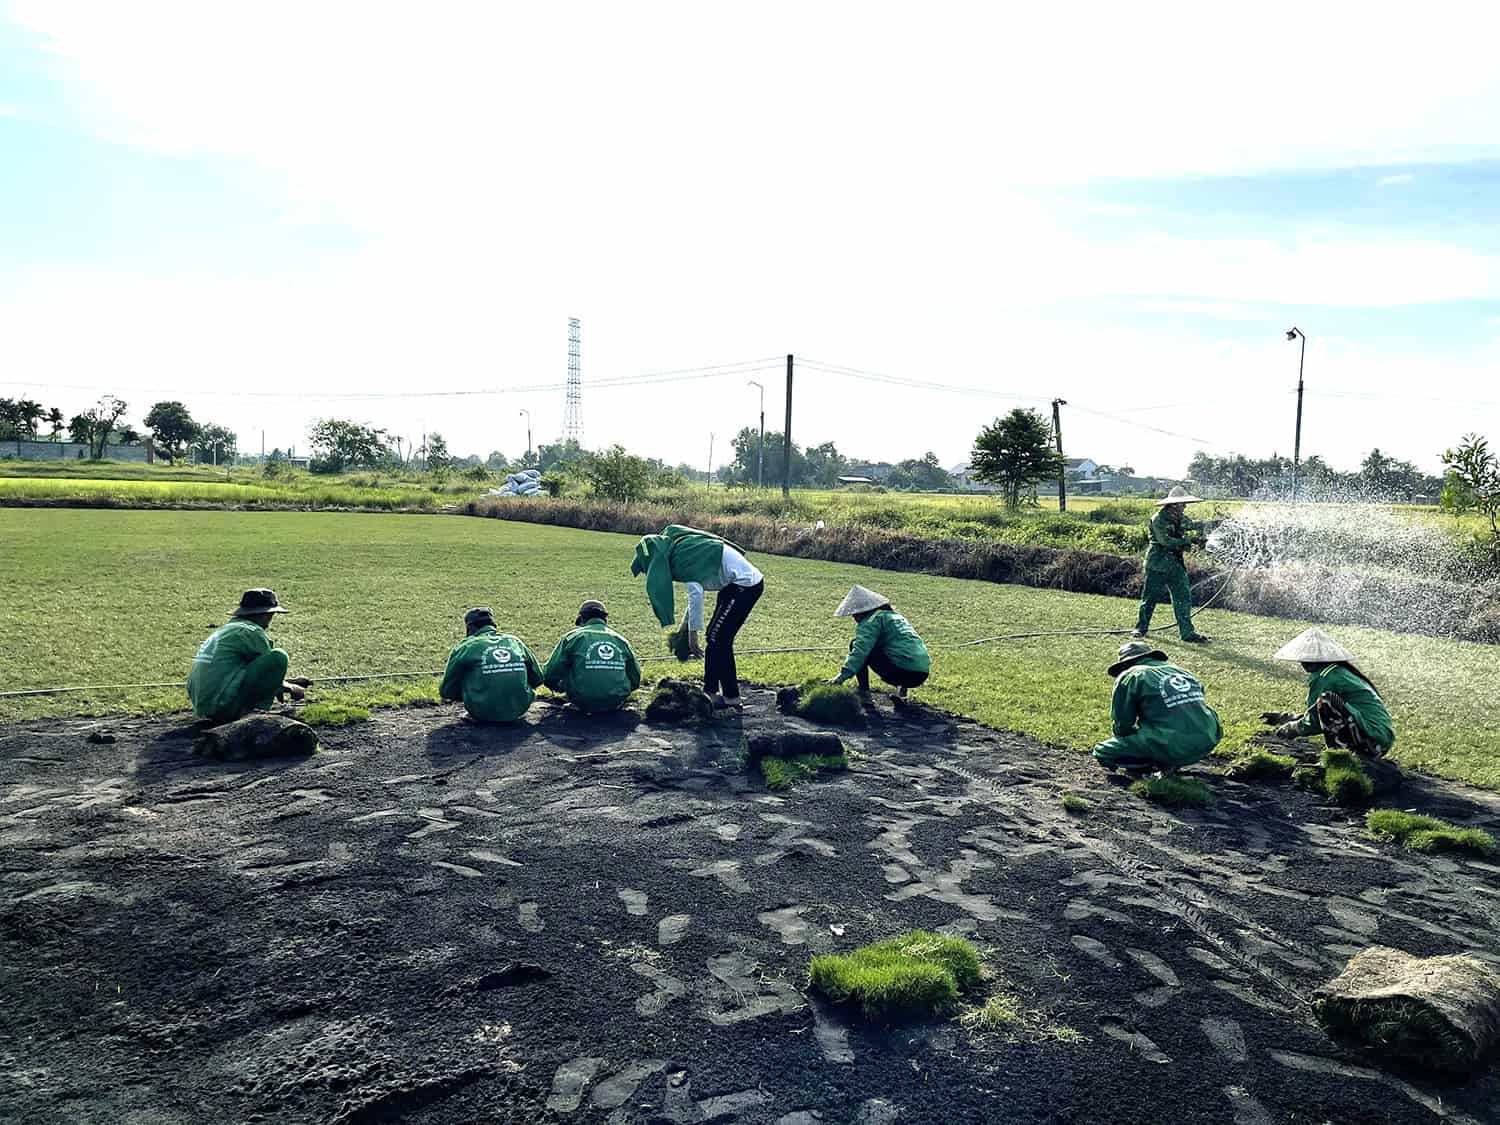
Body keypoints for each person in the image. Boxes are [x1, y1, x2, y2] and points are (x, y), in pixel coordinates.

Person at [631, 524, 764, 711]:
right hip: (732, 586)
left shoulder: (682, 558)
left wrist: (692, 636)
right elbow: (695, 593)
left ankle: (724, 696)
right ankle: (719, 694)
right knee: (716, 638)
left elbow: (696, 594)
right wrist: (684, 629)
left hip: (745, 585)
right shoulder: (677, 550)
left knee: (719, 638)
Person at [1092, 640, 1223, 774]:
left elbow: (1122, 722)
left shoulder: (1131, 676)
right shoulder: (1181, 671)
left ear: (1125, 664)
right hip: (1209, 738)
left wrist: (1127, 743)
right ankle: (1168, 763)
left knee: (1102, 751)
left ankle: (1146, 770)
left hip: (1173, 745)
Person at [1262, 627, 1394, 756]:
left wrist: (1290, 729)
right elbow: (1319, 714)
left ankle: (1338, 756)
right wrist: (1286, 718)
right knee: (1326, 702)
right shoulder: (1339, 671)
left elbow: (1314, 722)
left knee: (1326, 700)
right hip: (1378, 740)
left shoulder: (1327, 676)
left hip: (1372, 741)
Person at [188, 588, 306, 722]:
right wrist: (292, 688)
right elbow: (269, 669)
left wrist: (287, 682)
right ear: (265, 614)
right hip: (222, 705)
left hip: (205, 706)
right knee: (279, 656)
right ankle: (255, 714)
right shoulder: (250, 631)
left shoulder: (228, 629)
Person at [1133, 485, 1212, 644]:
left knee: (1183, 598)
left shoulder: (1181, 517)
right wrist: (1188, 541)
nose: (1185, 506)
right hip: (1158, 564)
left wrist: (1212, 525)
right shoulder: (1158, 519)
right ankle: (1141, 628)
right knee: (1150, 598)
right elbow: (1166, 541)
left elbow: (1193, 525)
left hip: (1175, 564)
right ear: (1174, 504)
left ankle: (1187, 633)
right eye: (1182, 503)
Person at [439, 607, 543, 723]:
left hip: (481, 711)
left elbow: (446, 690)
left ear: (470, 628)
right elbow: (538, 678)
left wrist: (463, 694)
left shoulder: (466, 646)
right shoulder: (514, 642)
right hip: (519, 709)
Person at [829, 584, 931, 698]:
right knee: (892, 648)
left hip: (901, 672)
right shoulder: (896, 617)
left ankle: (864, 692)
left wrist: (841, 677)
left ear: (864, 610)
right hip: (921, 674)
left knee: (856, 644)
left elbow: (860, 651)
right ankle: (901, 691)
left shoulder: (871, 621)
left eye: (854, 613)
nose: (853, 617)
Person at [542, 599, 642, 714]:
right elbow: (635, 677)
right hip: (615, 700)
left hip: (582, 700)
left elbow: (551, 672)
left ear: (581, 619)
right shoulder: (621, 640)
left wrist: (557, 687)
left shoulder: (572, 638)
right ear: (605, 619)